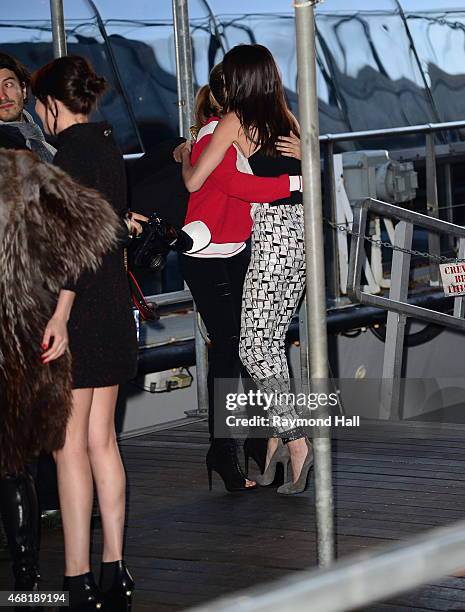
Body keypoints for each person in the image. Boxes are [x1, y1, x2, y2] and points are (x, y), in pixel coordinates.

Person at [179, 45, 312, 496]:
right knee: (269, 342)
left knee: (254, 349)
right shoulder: (288, 118)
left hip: (272, 239)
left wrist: (186, 155)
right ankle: (274, 441)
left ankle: (296, 443)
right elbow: (306, 172)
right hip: (302, 240)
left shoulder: (236, 119)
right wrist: (303, 168)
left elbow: (198, 180)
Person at [31, 55, 139, 610]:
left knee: (66, 448)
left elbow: (72, 246)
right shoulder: (107, 144)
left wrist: (59, 316)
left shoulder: (70, 155)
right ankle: (114, 569)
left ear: (52, 106)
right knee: (102, 440)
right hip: (111, 308)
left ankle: (76, 580)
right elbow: (111, 231)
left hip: (76, 314)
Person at [0, 149, 121, 603]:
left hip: (41, 324)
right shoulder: (47, 159)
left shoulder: (41, 159)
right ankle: (84, 573)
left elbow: (89, 226)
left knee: (45, 449)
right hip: (48, 322)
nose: (5, 91)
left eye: (12, 81)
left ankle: (44, 580)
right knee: (75, 444)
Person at [0, 51, 59, 600]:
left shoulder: (36, 138)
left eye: (10, 82)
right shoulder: (19, 146)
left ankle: (26, 571)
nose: (3, 92)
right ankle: (25, 574)